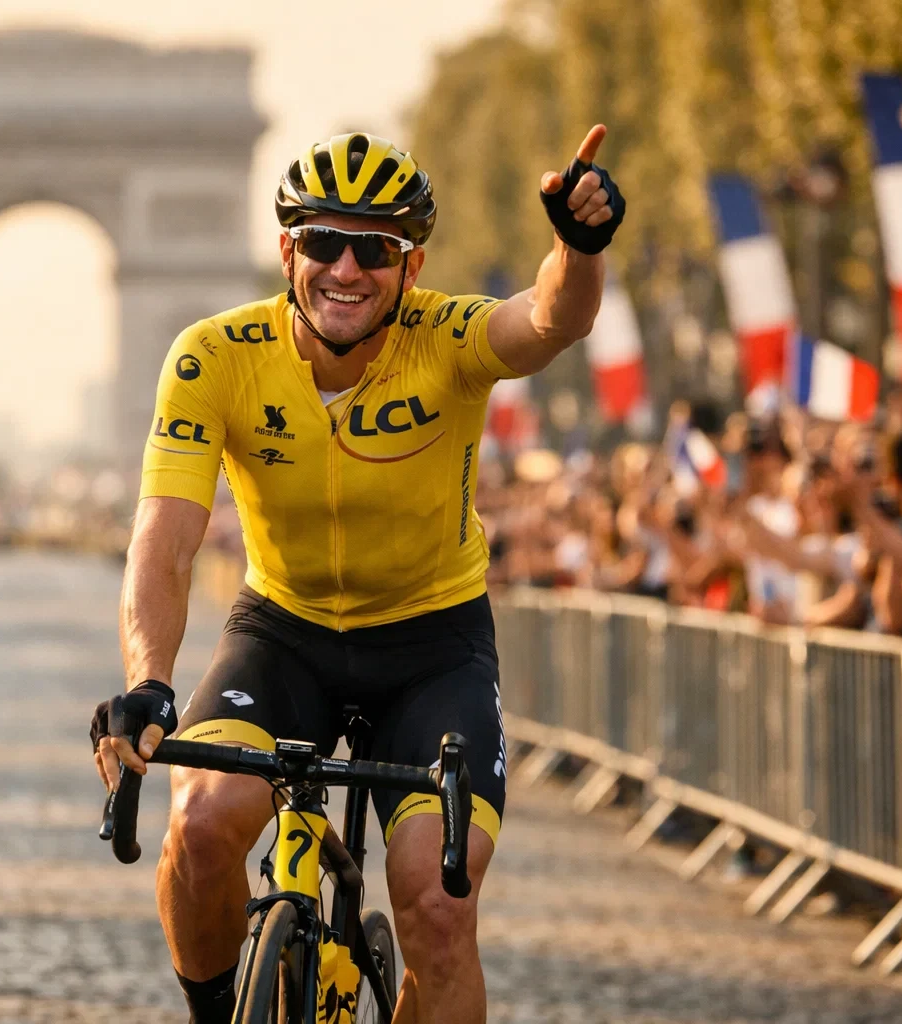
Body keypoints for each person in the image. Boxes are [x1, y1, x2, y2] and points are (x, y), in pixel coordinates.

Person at [91, 128, 625, 1023]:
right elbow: (165, 539)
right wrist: (148, 679)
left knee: (437, 909)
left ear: (411, 266)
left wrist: (578, 247)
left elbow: (549, 320)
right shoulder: (213, 356)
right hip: (282, 633)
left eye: (374, 248)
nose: (347, 268)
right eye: (323, 242)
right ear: (286, 250)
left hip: (432, 648)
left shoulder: (448, 336)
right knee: (201, 829)